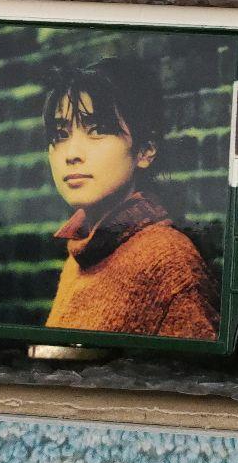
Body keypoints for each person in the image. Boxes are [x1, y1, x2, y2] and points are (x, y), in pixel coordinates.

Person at [41, 57, 220, 340]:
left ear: (145, 150)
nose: (71, 153)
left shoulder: (169, 261)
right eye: (60, 134)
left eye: (97, 130)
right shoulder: (80, 257)